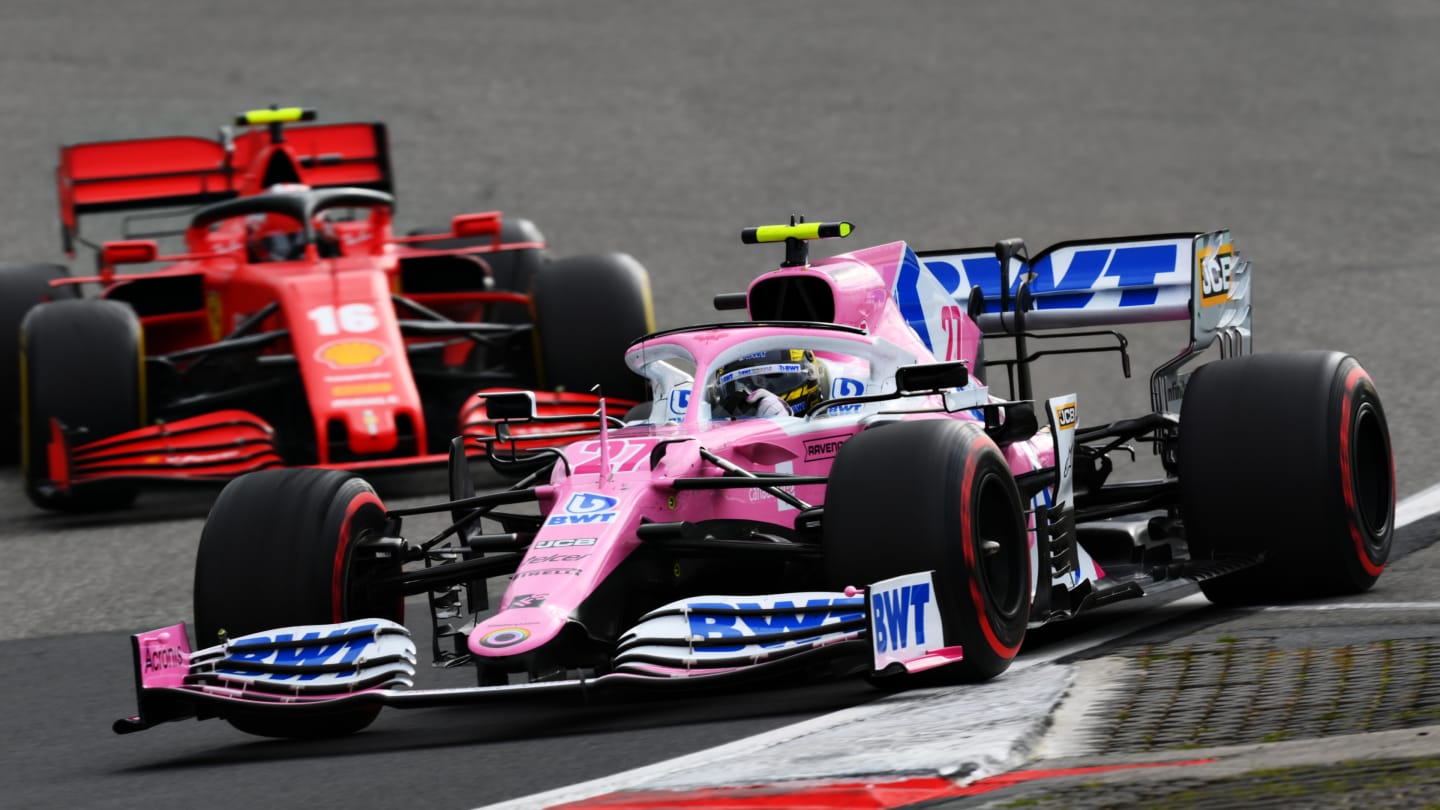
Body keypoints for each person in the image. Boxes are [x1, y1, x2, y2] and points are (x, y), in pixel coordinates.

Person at [709, 349, 828, 419]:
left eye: (776, 379)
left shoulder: (841, 417)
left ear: (811, 375)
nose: (760, 395)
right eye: (747, 383)